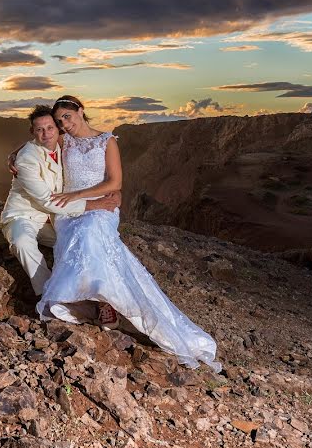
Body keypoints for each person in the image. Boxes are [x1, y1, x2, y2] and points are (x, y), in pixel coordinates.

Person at [39, 95, 221, 372]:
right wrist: (13, 157)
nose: (65, 124)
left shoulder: (106, 140)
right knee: (81, 231)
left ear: (81, 111)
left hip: (100, 207)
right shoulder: (64, 141)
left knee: (91, 230)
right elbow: (37, 144)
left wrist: (78, 194)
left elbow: (115, 182)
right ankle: (89, 299)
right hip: (71, 210)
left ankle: (105, 302)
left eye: (68, 116)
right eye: (60, 120)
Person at [1, 106, 120, 296]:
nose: (46, 134)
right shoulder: (25, 160)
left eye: (50, 128)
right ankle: (48, 293)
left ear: (58, 129)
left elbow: (112, 178)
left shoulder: (62, 144)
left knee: (82, 243)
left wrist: (114, 191)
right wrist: (95, 204)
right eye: (39, 129)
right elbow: (48, 201)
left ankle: (93, 292)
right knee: (22, 243)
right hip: (24, 216)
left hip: (53, 218)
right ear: (33, 132)